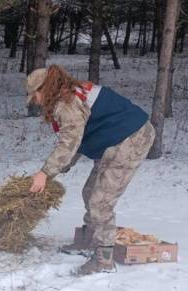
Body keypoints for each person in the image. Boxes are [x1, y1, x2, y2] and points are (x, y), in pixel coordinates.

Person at [26, 64, 155, 275]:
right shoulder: (67, 95)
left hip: (130, 138)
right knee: (90, 192)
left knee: (100, 201)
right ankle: (88, 240)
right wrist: (56, 169)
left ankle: (104, 259)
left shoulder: (67, 103)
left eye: (35, 96)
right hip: (114, 138)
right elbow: (76, 142)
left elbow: (69, 143)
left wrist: (45, 173)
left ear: (44, 90)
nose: (35, 102)